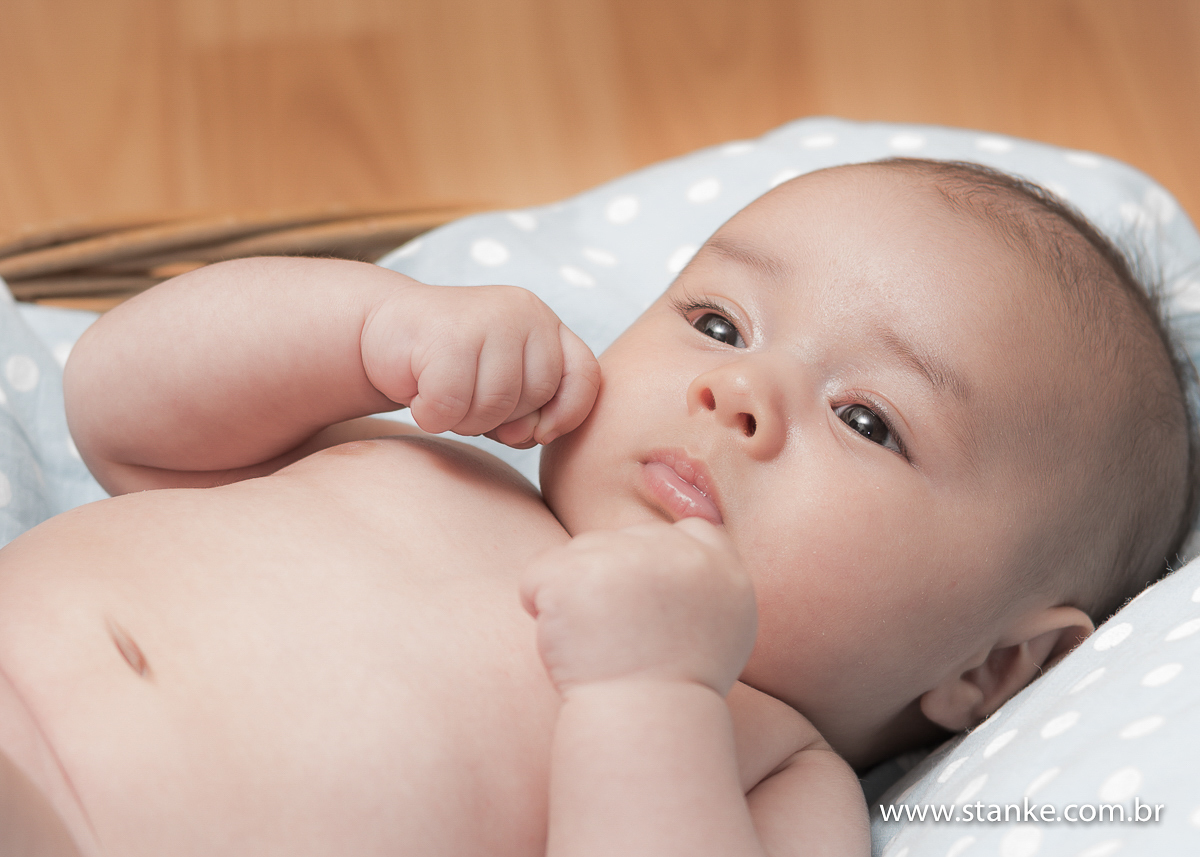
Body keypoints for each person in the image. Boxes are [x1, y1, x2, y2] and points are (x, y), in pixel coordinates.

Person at [0, 158, 1191, 856]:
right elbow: (115, 407)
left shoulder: (769, 766)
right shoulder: (430, 458)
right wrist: (374, 330)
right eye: (719, 325)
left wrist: (646, 696)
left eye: (868, 419)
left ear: (991, 670)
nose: (739, 392)